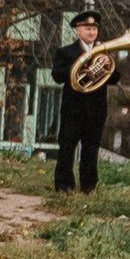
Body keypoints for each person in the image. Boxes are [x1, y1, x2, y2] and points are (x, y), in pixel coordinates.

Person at [50, 10, 115, 194]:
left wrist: (109, 66)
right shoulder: (65, 52)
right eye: (87, 28)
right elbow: (57, 75)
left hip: (96, 110)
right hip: (73, 109)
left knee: (91, 150)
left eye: (94, 28)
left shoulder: (104, 54)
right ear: (77, 30)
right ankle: (64, 186)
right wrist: (80, 65)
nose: (92, 32)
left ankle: (89, 186)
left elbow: (115, 78)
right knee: (67, 149)